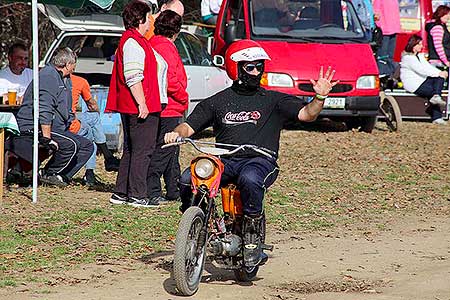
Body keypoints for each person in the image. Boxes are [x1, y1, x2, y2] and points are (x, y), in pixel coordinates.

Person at [164, 39, 337, 268]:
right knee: (189, 178)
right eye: (250, 67)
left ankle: (252, 236)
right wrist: (176, 133)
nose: (256, 71)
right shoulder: (218, 101)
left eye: (259, 66)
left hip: (259, 160)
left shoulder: (274, 100)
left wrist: (320, 98)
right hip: (225, 159)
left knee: (250, 179)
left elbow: (307, 114)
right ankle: (194, 222)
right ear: (234, 67)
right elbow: (189, 126)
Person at [106, 0, 161, 206]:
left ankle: (122, 191)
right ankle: (138, 194)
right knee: (142, 150)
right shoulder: (133, 42)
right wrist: (142, 103)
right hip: (137, 105)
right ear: (140, 19)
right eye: (148, 17)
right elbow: (133, 75)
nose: (151, 21)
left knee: (131, 149)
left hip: (133, 104)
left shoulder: (135, 40)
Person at [13, 47, 94, 187]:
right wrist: (46, 137)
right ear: (67, 64)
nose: (74, 68)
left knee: (87, 146)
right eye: (74, 64)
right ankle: (48, 174)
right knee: (72, 145)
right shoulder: (48, 76)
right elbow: (44, 108)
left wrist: (69, 122)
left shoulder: (66, 78)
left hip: (59, 125)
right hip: (35, 126)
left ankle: (60, 175)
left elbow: (66, 103)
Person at [147, 10, 188, 205]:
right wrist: (183, 97)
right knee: (165, 148)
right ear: (176, 30)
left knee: (173, 150)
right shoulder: (166, 47)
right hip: (170, 106)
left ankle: (174, 188)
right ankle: (152, 189)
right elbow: (171, 79)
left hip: (163, 106)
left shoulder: (153, 43)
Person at [69, 74, 121, 186]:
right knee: (94, 119)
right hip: (68, 123)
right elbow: (92, 105)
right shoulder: (80, 81)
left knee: (91, 132)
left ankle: (91, 172)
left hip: (54, 121)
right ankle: (106, 157)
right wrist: (97, 112)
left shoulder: (47, 78)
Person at [400, 35, 448, 125]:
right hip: (414, 84)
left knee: (439, 80)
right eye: (419, 44)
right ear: (413, 46)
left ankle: (436, 98)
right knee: (434, 90)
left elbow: (428, 67)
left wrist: (440, 73)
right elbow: (421, 70)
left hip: (422, 80)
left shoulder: (420, 56)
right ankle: (436, 116)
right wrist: (439, 74)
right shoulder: (408, 58)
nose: (421, 46)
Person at [372, 0, 401, 77]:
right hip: (384, 32)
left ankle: (390, 75)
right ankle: (382, 74)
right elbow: (376, 12)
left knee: (390, 56)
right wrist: (380, 26)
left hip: (394, 30)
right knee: (382, 56)